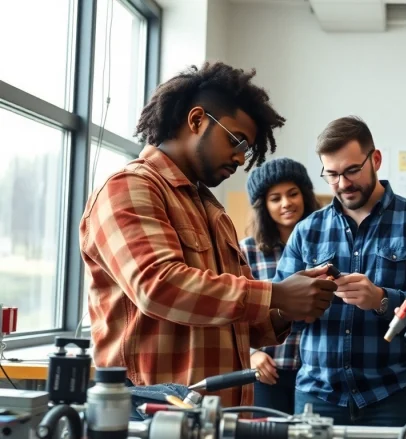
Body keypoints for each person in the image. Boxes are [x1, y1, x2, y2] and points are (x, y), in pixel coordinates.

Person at [80, 62, 337, 408]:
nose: (239, 158)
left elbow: (243, 321)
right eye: (236, 141)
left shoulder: (210, 209)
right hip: (155, 413)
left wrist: (292, 306)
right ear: (197, 120)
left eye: (247, 150)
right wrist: (277, 294)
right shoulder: (129, 187)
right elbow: (158, 286)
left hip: (219, 415)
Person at [273, 116, 406, 426]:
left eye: (352, 170)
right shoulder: (306, 231)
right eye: (332, 174)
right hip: (318, 397)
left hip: (394, 396)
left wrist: (383, 300)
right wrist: (299, 306)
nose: (342, 184)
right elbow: (276, 313)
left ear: (376, 159)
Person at [240, 157, 320, 414]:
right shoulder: (247, 250)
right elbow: (236, 309)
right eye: (275, 198)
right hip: (268, 372)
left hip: (318, 371)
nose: (286, 203)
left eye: (293, 194)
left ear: (305, 196)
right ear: (264, 206)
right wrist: (250, 354)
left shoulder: (326, 243)